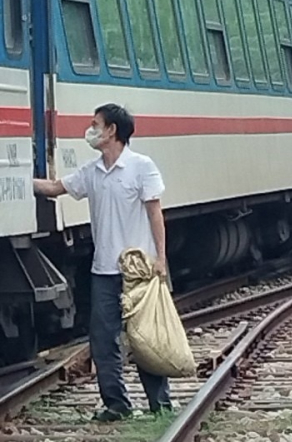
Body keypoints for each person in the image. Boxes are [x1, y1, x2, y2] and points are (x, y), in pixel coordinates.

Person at [33, 104, 171, 421]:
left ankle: (160, 405)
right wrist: (16, 179)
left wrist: (161, 259)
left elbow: (155, 214)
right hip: (104, 270)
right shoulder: (92, 172)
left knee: (146, 339)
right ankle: (117, 404)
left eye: (95, 124)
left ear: (111, 131)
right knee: (103, 339)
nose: (91, 130)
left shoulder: (141, 167)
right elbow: (55, 188)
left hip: (138, 270)